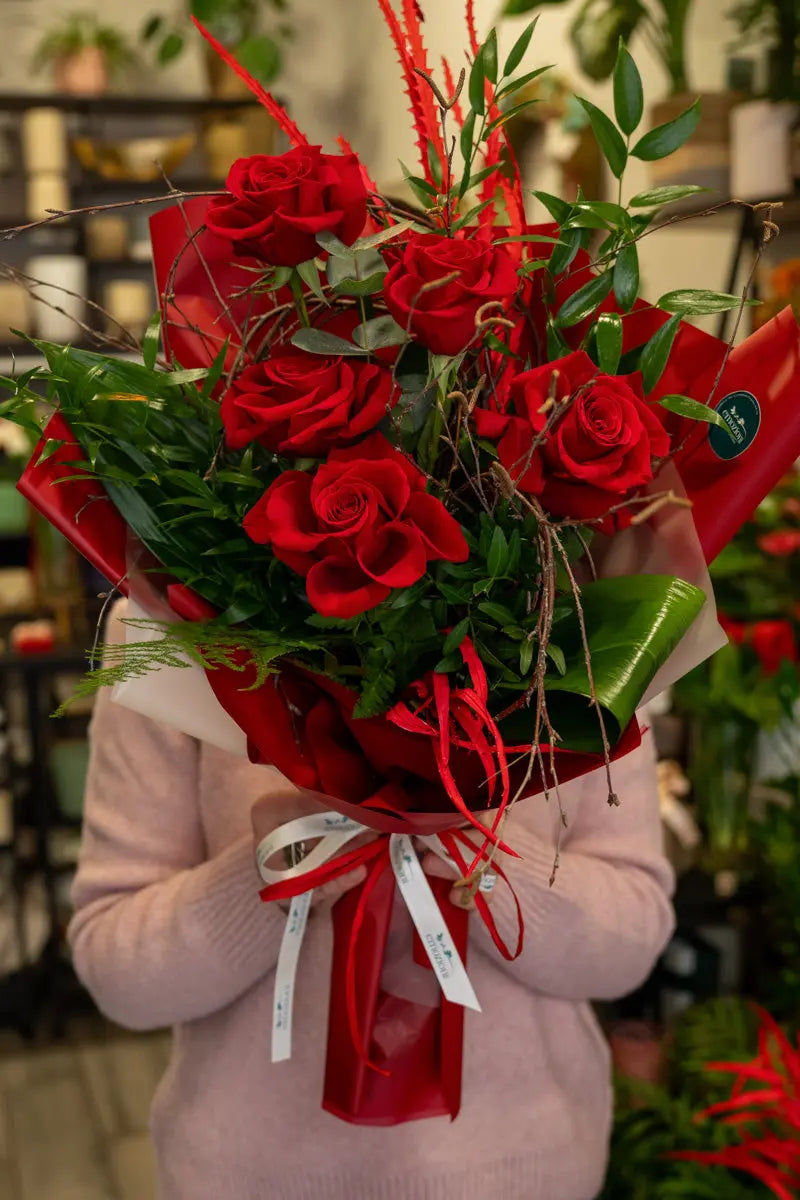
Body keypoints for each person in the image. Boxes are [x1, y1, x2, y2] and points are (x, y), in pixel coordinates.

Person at [69, 603, 675, 1200]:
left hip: (529, 1170)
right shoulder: (169, 619)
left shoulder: (583, 612)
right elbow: (118, 971)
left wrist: (480, 854)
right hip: (247, 1175)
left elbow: (630, 939)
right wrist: (276, 872)